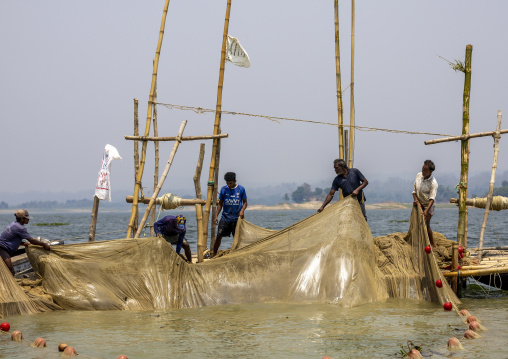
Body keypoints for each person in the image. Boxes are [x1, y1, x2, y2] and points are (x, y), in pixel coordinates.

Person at [0, 209, 50, 276]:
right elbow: (32, 241)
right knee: (11, 271)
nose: (28, 220)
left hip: (5, 249)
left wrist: (23, 243)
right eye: (27, 218)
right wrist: (44, 244)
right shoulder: (20, 228)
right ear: (22, 218)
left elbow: (11, 238)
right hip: (3, 249)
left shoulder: (13, 224)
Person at [213, 172, 247, 256]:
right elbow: (220, 203)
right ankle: (213, 254)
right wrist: (216, 215)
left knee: (237, 238)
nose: (229, 185)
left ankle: (238, 254)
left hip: (236, 218)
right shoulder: (223, 189)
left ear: (235, 181)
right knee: (219, 236)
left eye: (230, 183)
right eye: (227, 183)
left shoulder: (241, 189)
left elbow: (245, 202)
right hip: (225, 218)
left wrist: (242, 210)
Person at [412, 160, 438, 247]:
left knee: (426, 224)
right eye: (422, 169)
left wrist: (426, 211)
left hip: (428, 205)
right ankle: (419, 242)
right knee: (417, 224)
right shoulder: (419, 175)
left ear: (430, 172)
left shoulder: (433, 183)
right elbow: (414, 190)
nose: (423, 171)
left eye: (425, 170)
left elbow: (432, 199)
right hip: (418, 203)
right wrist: (416, 200)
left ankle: (432, 244)